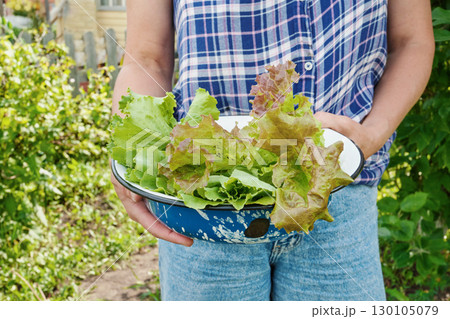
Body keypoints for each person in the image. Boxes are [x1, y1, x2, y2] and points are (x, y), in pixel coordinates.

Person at [111, 0, 434, 300]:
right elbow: (146, 58)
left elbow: (412, 42)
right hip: (203, 203)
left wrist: (372, 134)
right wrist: (130, 157)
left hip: (336, 193)